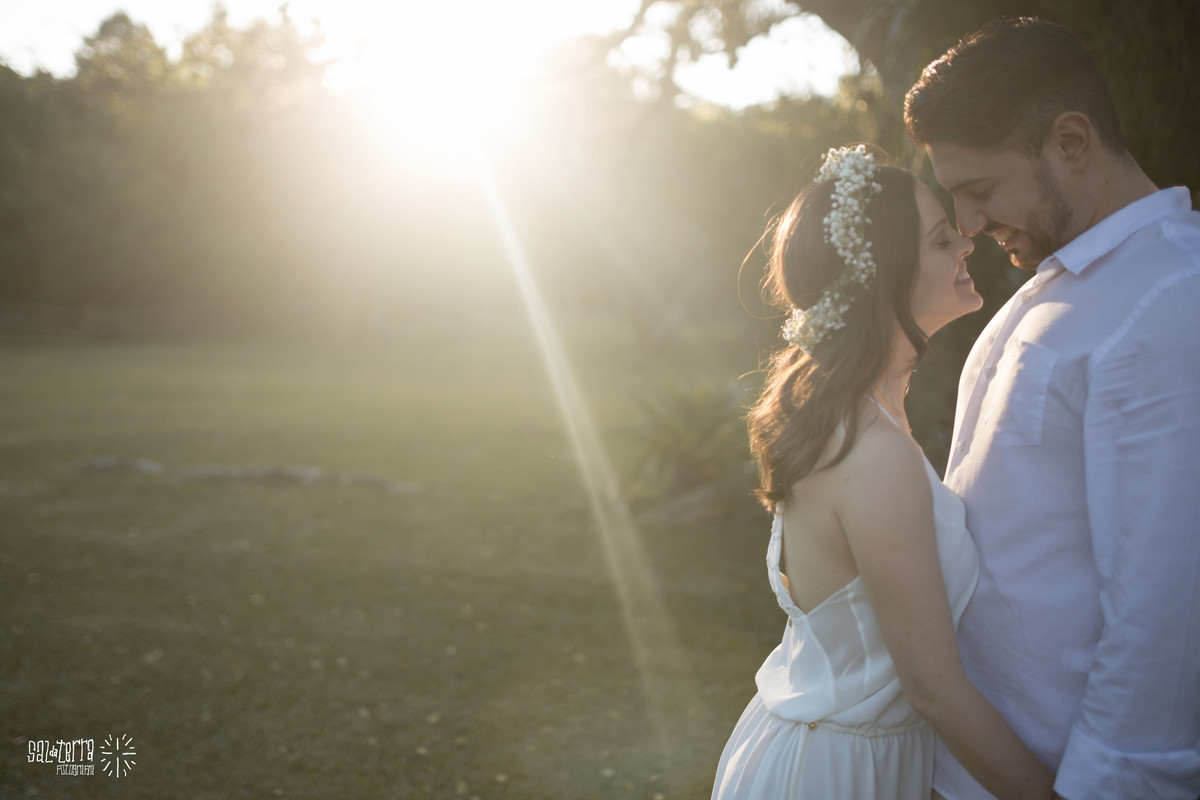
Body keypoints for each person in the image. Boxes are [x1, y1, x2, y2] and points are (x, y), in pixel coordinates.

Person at [904, 17, 1200, 800]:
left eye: (979, 191)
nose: (966, 225)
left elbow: (1163, 615)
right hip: (976, 769)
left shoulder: (1173, 301)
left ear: (1071, 143)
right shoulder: (1069, 279)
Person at [710, 145, 1054, 799]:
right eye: (940, 240)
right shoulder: (871, 450)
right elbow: (932, 688)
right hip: (837, 774)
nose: (966, 248)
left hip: (836, 749)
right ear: (885, 276)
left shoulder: (864, 417)